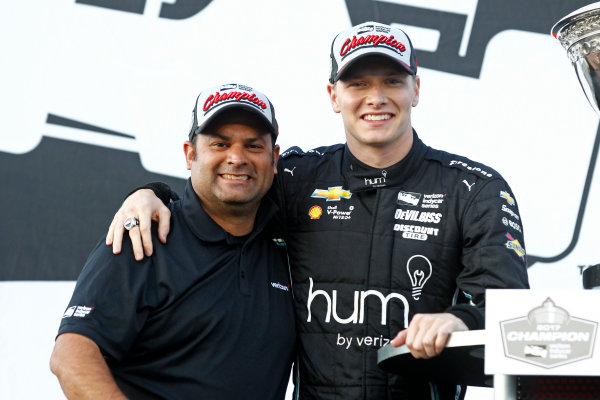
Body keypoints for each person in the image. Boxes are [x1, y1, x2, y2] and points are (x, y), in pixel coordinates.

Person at [106, 22, 529, 399]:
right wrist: (153, 192)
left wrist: (460, 319)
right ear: (334, 96)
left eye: (392, 82)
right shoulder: (295, 178)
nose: (376, 98)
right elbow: (219, 197)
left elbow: (511, 306)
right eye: (358, 84)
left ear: (415, 90)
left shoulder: (474, 189)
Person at [50, 83, 296, 400]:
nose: (236, 158)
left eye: (253, 146)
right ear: (190, 154)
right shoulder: (144, 234)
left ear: (275, 158)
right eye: (220, 144)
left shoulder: (290, 238)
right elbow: (71, 356)